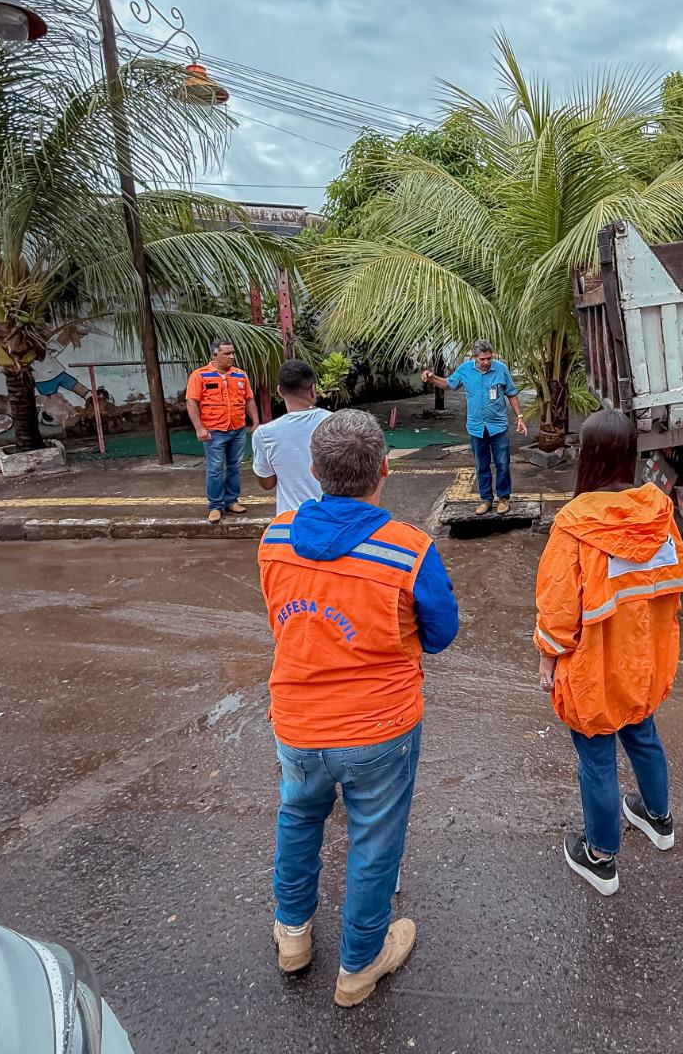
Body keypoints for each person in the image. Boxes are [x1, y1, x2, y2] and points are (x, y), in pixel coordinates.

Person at [258, 409, 459, 1007]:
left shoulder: (274, 538)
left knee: (298, 819)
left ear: (315, 470)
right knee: (373, 843)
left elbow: (281, 616)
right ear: (384, 469)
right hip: (378, 728)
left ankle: (291, 934)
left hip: (296, 721)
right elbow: (442, 632)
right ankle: (359, 963)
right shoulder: (409, 551)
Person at [533, 409, 683, 896]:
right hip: (644, 657)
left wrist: (548, 656)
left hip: (594, 666)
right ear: (629, 453)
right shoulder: (659, 514)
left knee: (597, 756)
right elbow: (672, 589)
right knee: (643, 732)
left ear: (589, 455)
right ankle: (658, 819)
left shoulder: (575, 523)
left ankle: (600, 857)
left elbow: (559, 606)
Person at [421, 340, 526, 515]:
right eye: (482, 359)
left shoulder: (501, 369)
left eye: (489, 358)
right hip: (476, 427)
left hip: (498, 426)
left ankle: (503, 498)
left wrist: (520, 417)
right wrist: (432, 378)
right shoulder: (465, 369)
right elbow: (448, 384)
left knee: (502, 463)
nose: (486, 362)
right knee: (481, 465)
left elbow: (512, 394)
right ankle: (486, 499)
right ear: (474, 357)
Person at [186, 340, 259, 524]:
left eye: (233, 353)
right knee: (215, 470)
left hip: (237, 429)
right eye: (227, 354)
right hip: (214, 432)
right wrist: (199, 428)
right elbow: (191, 402)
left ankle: (231, 501)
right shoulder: (200, 376)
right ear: (215, 356)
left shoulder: (240, 375)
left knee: (234, 467)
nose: (232, 357)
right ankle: (215, 506)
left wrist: (256, 421)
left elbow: (249, 399)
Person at [252, 359, 330, 516]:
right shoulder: (337, 422)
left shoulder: (264, 434)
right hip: (334, 519)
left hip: (291, 522)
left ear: (280, 391)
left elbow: (267, 483)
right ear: (314, 390)